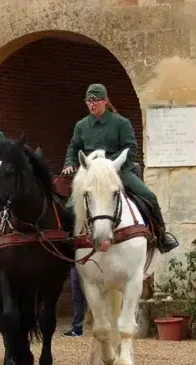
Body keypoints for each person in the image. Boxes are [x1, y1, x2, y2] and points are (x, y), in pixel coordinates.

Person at [61, 83, 179, 254]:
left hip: (119, 170)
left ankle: (161, 235)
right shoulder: (81, 125)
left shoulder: (121, 123)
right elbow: (74, 146)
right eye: (88, 101)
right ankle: (69, 244)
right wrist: (69, 163)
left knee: (148, 196)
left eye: (95, 101)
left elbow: (131, 148)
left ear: (105, 101)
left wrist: (111, 164)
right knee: (70, 206)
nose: (91, 104)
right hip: (91, 173)